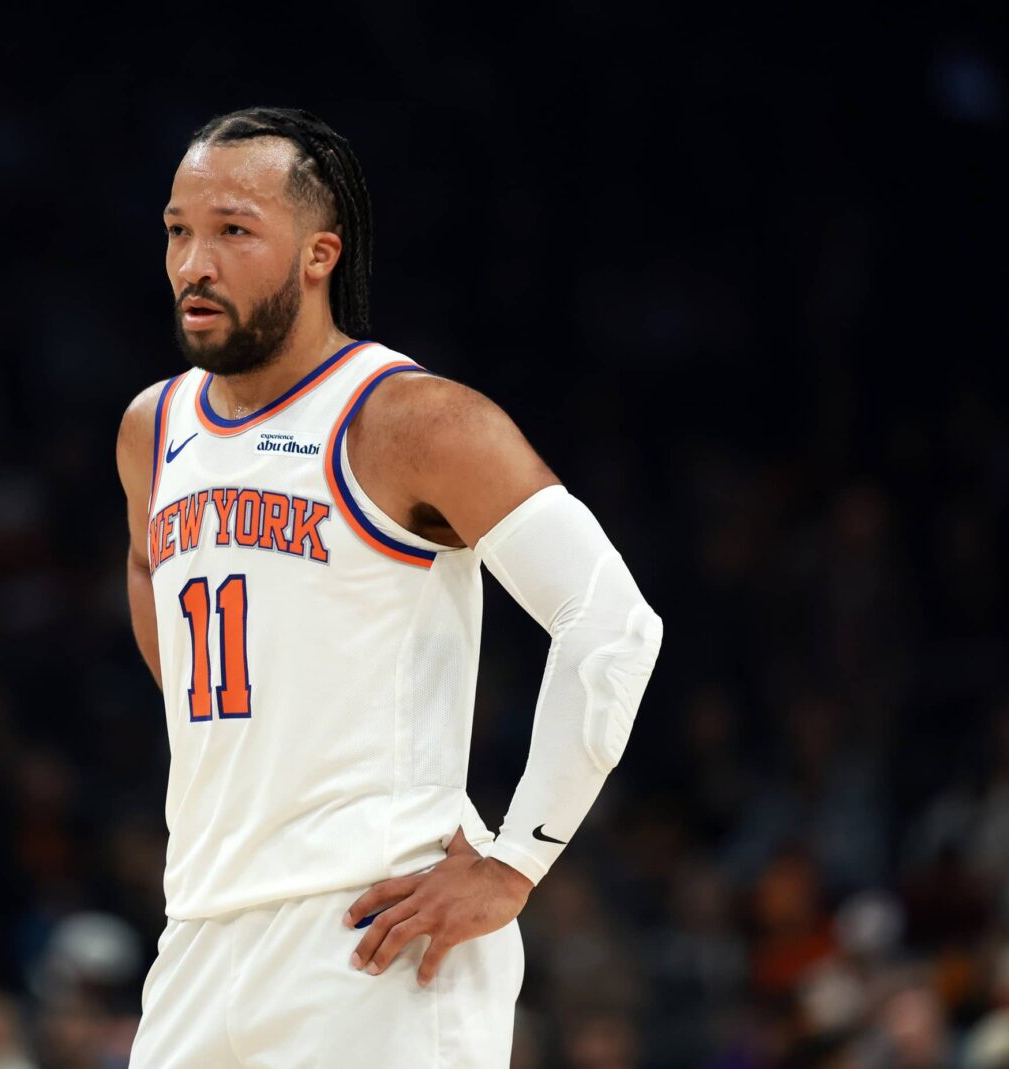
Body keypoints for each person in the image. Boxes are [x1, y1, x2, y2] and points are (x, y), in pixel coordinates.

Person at [115, 106, 663, 1067]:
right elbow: (150, 574)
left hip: (378, 922)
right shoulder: (153, 428)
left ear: (318, 254)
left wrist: (516, 861)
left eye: (233, 230)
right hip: (201, 925)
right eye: (178, 230)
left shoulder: (412, 419)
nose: (194, 263)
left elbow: (612, 620)